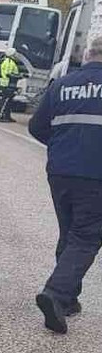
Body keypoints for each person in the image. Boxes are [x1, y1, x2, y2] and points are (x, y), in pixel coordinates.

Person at [28, 35, 102, 334]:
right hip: (96, 174)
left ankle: (68, 300)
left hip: (60, 171)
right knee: (86, 237)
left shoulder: (63, 85)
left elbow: (36, 126)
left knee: (71, 234)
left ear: (87, 56)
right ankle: (56, 294)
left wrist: (61, 146)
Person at [0, 51, 21, 123]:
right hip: (7, 84)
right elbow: (8, 74)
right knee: (5, 101)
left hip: (10, 84)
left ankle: (7, 116)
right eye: (15, 54)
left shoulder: (11, 61)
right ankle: (0, 116)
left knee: (9, 101)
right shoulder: (8, 62)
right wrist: (18, 76)